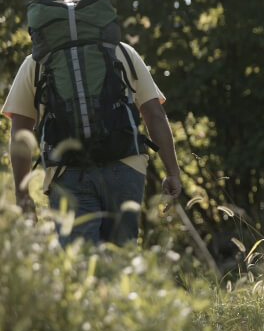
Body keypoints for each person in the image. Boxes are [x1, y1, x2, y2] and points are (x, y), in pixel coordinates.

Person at [4, 33, 182, 246]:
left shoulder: (36, 61)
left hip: (66, 173)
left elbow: (20, 132)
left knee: (82, 263)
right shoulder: (123, 52)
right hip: (125, 167)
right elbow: (154, 115)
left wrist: (22, 194)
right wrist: (172, 172)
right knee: (122, 260)